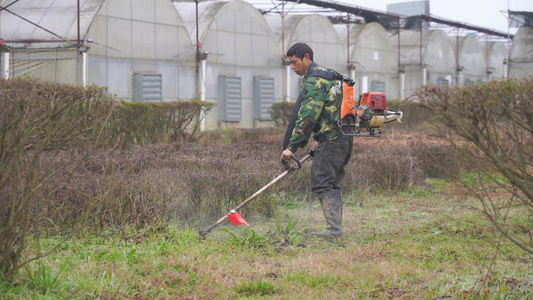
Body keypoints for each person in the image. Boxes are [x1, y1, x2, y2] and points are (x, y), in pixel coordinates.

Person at [281, 42, 353, 237]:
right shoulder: (328, 74)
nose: (293, 67)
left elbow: (307, 117)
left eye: (295, 62)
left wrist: (292, 147)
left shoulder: (315, 79)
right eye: (290, 64)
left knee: (322, 181)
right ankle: (334, 227)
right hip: (344, 136)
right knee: (330, 182)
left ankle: (333, 229)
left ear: (306, 57)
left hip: (334, 138)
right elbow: (331, 110)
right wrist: (319, 137)